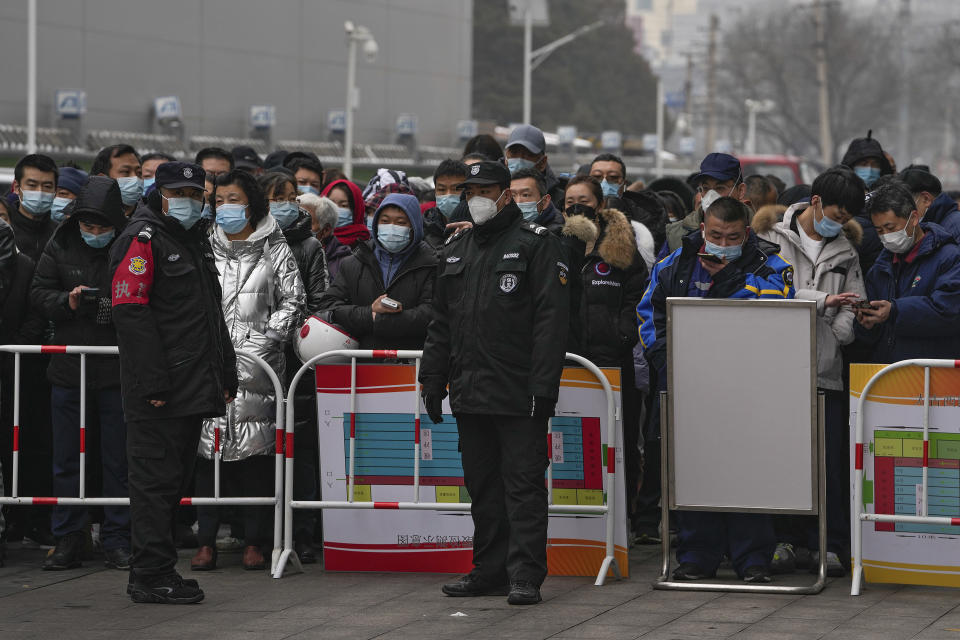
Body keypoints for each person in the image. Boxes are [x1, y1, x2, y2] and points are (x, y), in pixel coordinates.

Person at [420, 161, 569, 606]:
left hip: (519, 390)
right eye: (471, 190)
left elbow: (551, 322)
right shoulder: (457, 248)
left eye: (486, 189)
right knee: (482, 486)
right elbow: (440, 322)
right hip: (469, 390)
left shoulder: (537, 245)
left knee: (522, 487)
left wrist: (544, 388)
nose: (477, 197)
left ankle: (524, 574)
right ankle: (489, 570)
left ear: (506, 193)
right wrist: (432, 377)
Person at [637, 196, 795, 583]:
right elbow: (649, 316)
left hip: (750, 390)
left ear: (746, 233)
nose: (724, 243)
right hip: (689, 387)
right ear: (703, 228)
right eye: (716, 235)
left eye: (733, 236)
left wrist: (727, 280)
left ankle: (752, 558)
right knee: (694, 470)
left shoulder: (771, 264)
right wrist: (667, 363)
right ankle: (695, 555)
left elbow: (779, 308)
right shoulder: (674, 264)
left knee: (749, 474)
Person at [110, 161, 238, 604]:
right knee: (153, 485)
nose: (189, 200)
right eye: (179, 192)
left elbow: (209, 316)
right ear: (158, 193)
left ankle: (160, 568)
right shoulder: (143, 241)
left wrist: (226, 372)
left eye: (196, 193)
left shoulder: (189, 242)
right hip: (159, 391)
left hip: (189, 386)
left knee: (172, 483)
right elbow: (130, 313)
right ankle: (147, 575)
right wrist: (153, 383)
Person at [753, 166, 867, 577]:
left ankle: (828, 544)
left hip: (824, 370)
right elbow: (764, 292)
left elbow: (853, 306)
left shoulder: (847, 251)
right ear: (816, 202)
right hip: (774, 371)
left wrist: (837, 331)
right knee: (781, 460)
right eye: (836, 214)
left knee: (829, 464)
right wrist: (822, 301)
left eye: (847, 218)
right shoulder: (768, 238)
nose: (840, 223)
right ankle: (782, 539)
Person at [190, 170, 304, 573]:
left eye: (233, 198)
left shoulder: (275, 246)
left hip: (259, 370)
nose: (225, 207)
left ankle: (256, 541)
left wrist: (267, 340)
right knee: (208, 454)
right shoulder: (203, 245)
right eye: (219, 200)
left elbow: (293, 300)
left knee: (257, 455)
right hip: (209, 365)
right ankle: (205, 541)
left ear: (251, 203)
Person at [30, 176, 132, 571]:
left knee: (117, 460)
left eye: (101, 227)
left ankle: (118, 537)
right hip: (69, 367)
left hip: (115, 368)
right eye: (87, 227)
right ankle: (69, 536)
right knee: (66, 458)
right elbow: (38, 294)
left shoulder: (129, 247)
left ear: (115, 223)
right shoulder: (60, 242)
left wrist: (110, 306)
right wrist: (67, 302)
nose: (93, 234)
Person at [559, 176, 649, 537]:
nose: (576, 207)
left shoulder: (621, 250)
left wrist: (620, 336)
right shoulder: (555, 244)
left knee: (618, 445)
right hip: (564, 363)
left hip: (612, 365)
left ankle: (619, 525)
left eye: (584, 200)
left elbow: (637, 302)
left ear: (600, 204)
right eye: (569, 201)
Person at [855, 181, 960, 362]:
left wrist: (895, 311)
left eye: (891, 228)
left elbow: (948, 312)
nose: (886, 236)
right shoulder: (880, 267)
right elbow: (872, 337)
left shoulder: (949, 257)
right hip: (886, 375)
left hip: (931, 375)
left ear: (913, 218)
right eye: (879, 230)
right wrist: (866, 323)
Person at [317, 193, 436, 350]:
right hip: (360, 363)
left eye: (401, 223)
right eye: (385, 221)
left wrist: (382, 321)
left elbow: (431, 313)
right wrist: (369, 314)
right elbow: (329, 305)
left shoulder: (430, 264)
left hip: (411, 363)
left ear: (414, 226)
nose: (392, 228)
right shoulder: (354, 263)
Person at [664, 153, 748, 254]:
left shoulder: (761, 231)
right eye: (706, 188)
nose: (711, 196)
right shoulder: (675, 235)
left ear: (741, 190)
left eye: (720, 188)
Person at [841, 131, 892, 275]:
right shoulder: (839, 194)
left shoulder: (891, 196)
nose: (869, 169)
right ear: (851, 166)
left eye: (875, 164)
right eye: (863, 164)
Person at [8, 153, 59, 261]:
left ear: (55, 191)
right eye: (32, 185)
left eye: (47, 186)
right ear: (17, 187)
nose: (39, 191)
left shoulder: (61, 235)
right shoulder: (4, 231)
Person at [320, 178, 370, 282]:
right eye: (331, 204)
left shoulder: (367, 247)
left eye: (344, 205)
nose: (336, 210)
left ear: (356, 210)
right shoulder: (314, 240)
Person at [504, 124, 565, 205]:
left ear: (542, 162)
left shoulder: (560, 202)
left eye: (528, 155)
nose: (519, 160)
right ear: (506, 158)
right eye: (514, 153)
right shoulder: (492, 192)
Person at [899, 166, 960, 242]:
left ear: (926, 199)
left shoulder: (956, 227)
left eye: (904, 205)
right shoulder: (922, 228)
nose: (900, 213)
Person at [423, 159, 467, 250]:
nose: (448, 194)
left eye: (456, 189)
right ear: (435, 192)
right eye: (442, 190)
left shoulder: (477, 226)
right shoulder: (424, 227)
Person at [90, 144, 143, 216]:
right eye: (126, 171)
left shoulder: (151, 219)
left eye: (139, 173)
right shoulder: (81, 217)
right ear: (102, 178)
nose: (135, 177)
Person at [510, 168, 564, 232]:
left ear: (544, 202)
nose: (517, 202)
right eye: (513, 196)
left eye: (525, 195)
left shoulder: (558, 234)